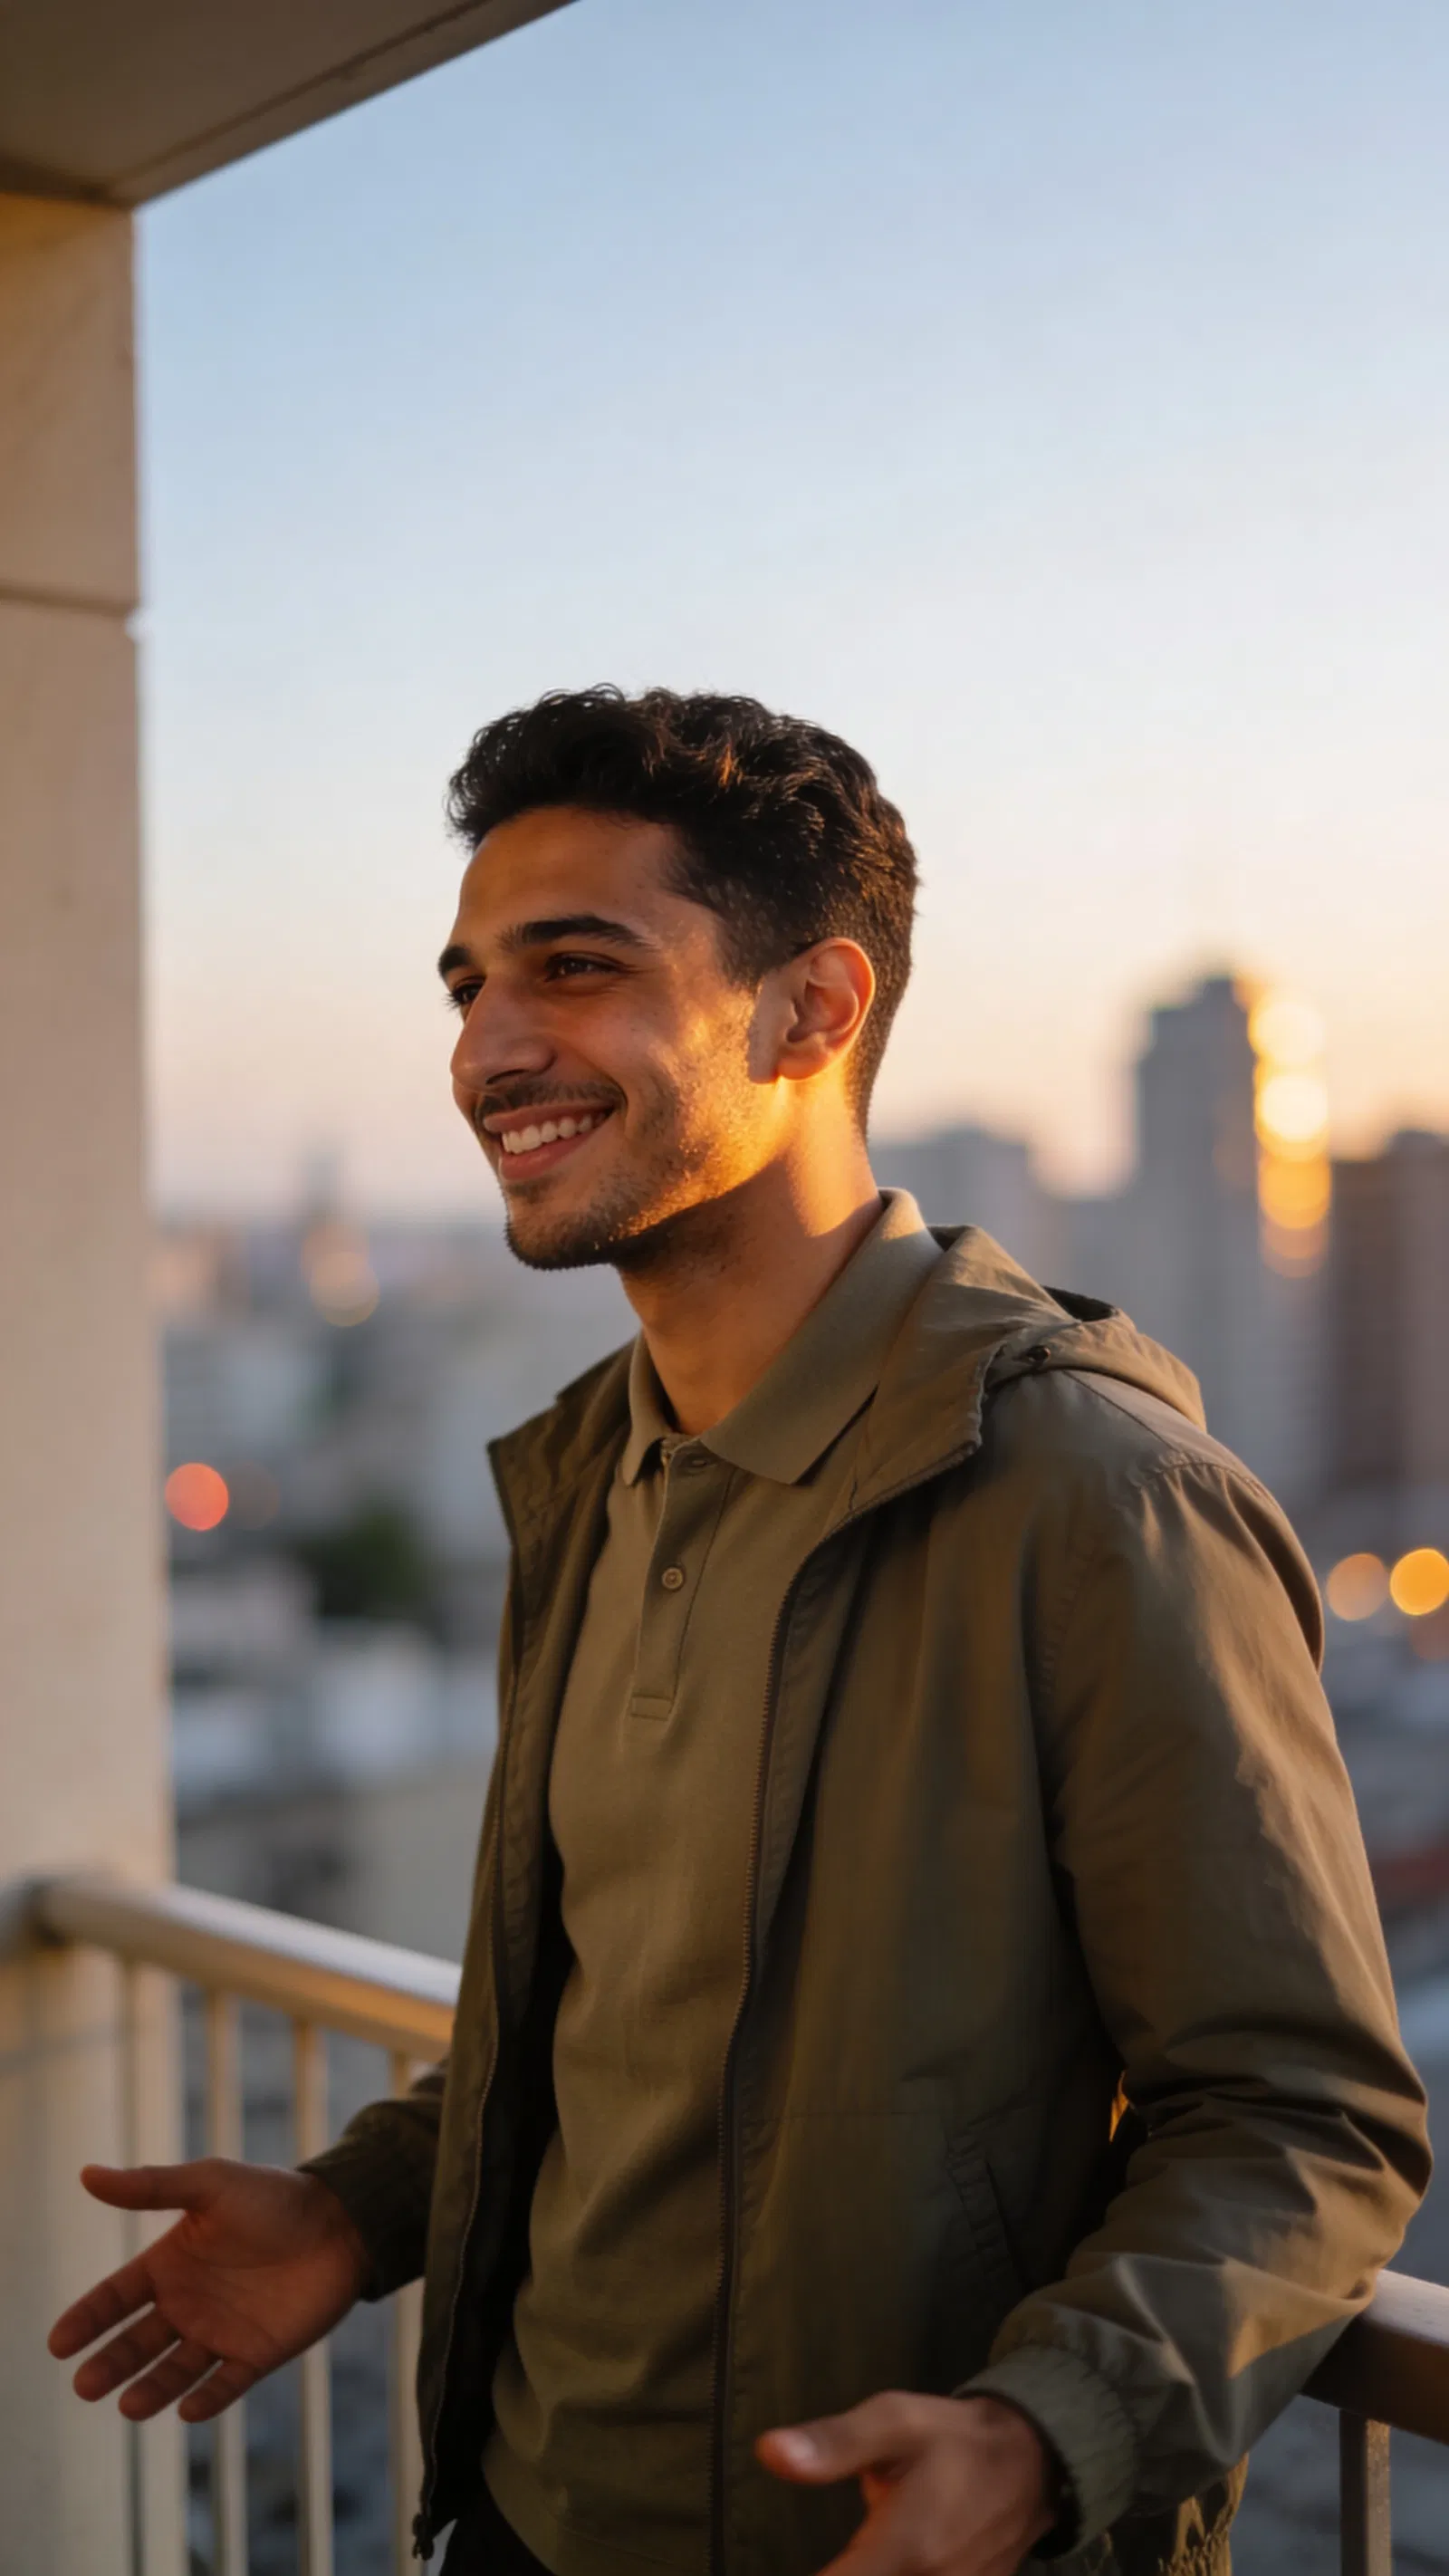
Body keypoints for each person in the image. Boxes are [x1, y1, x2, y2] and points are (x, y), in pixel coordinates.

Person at [51, 689, 1428, 2576]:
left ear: (813, 1009)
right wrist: (361, 2210)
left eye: (575, 967)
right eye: (466, 985)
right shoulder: (596, 1477)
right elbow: (618, 2012)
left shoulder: (1092, 1495)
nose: (486, 1048)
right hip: (517, 2521)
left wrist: (1048, 2432)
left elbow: (1300, 2114)